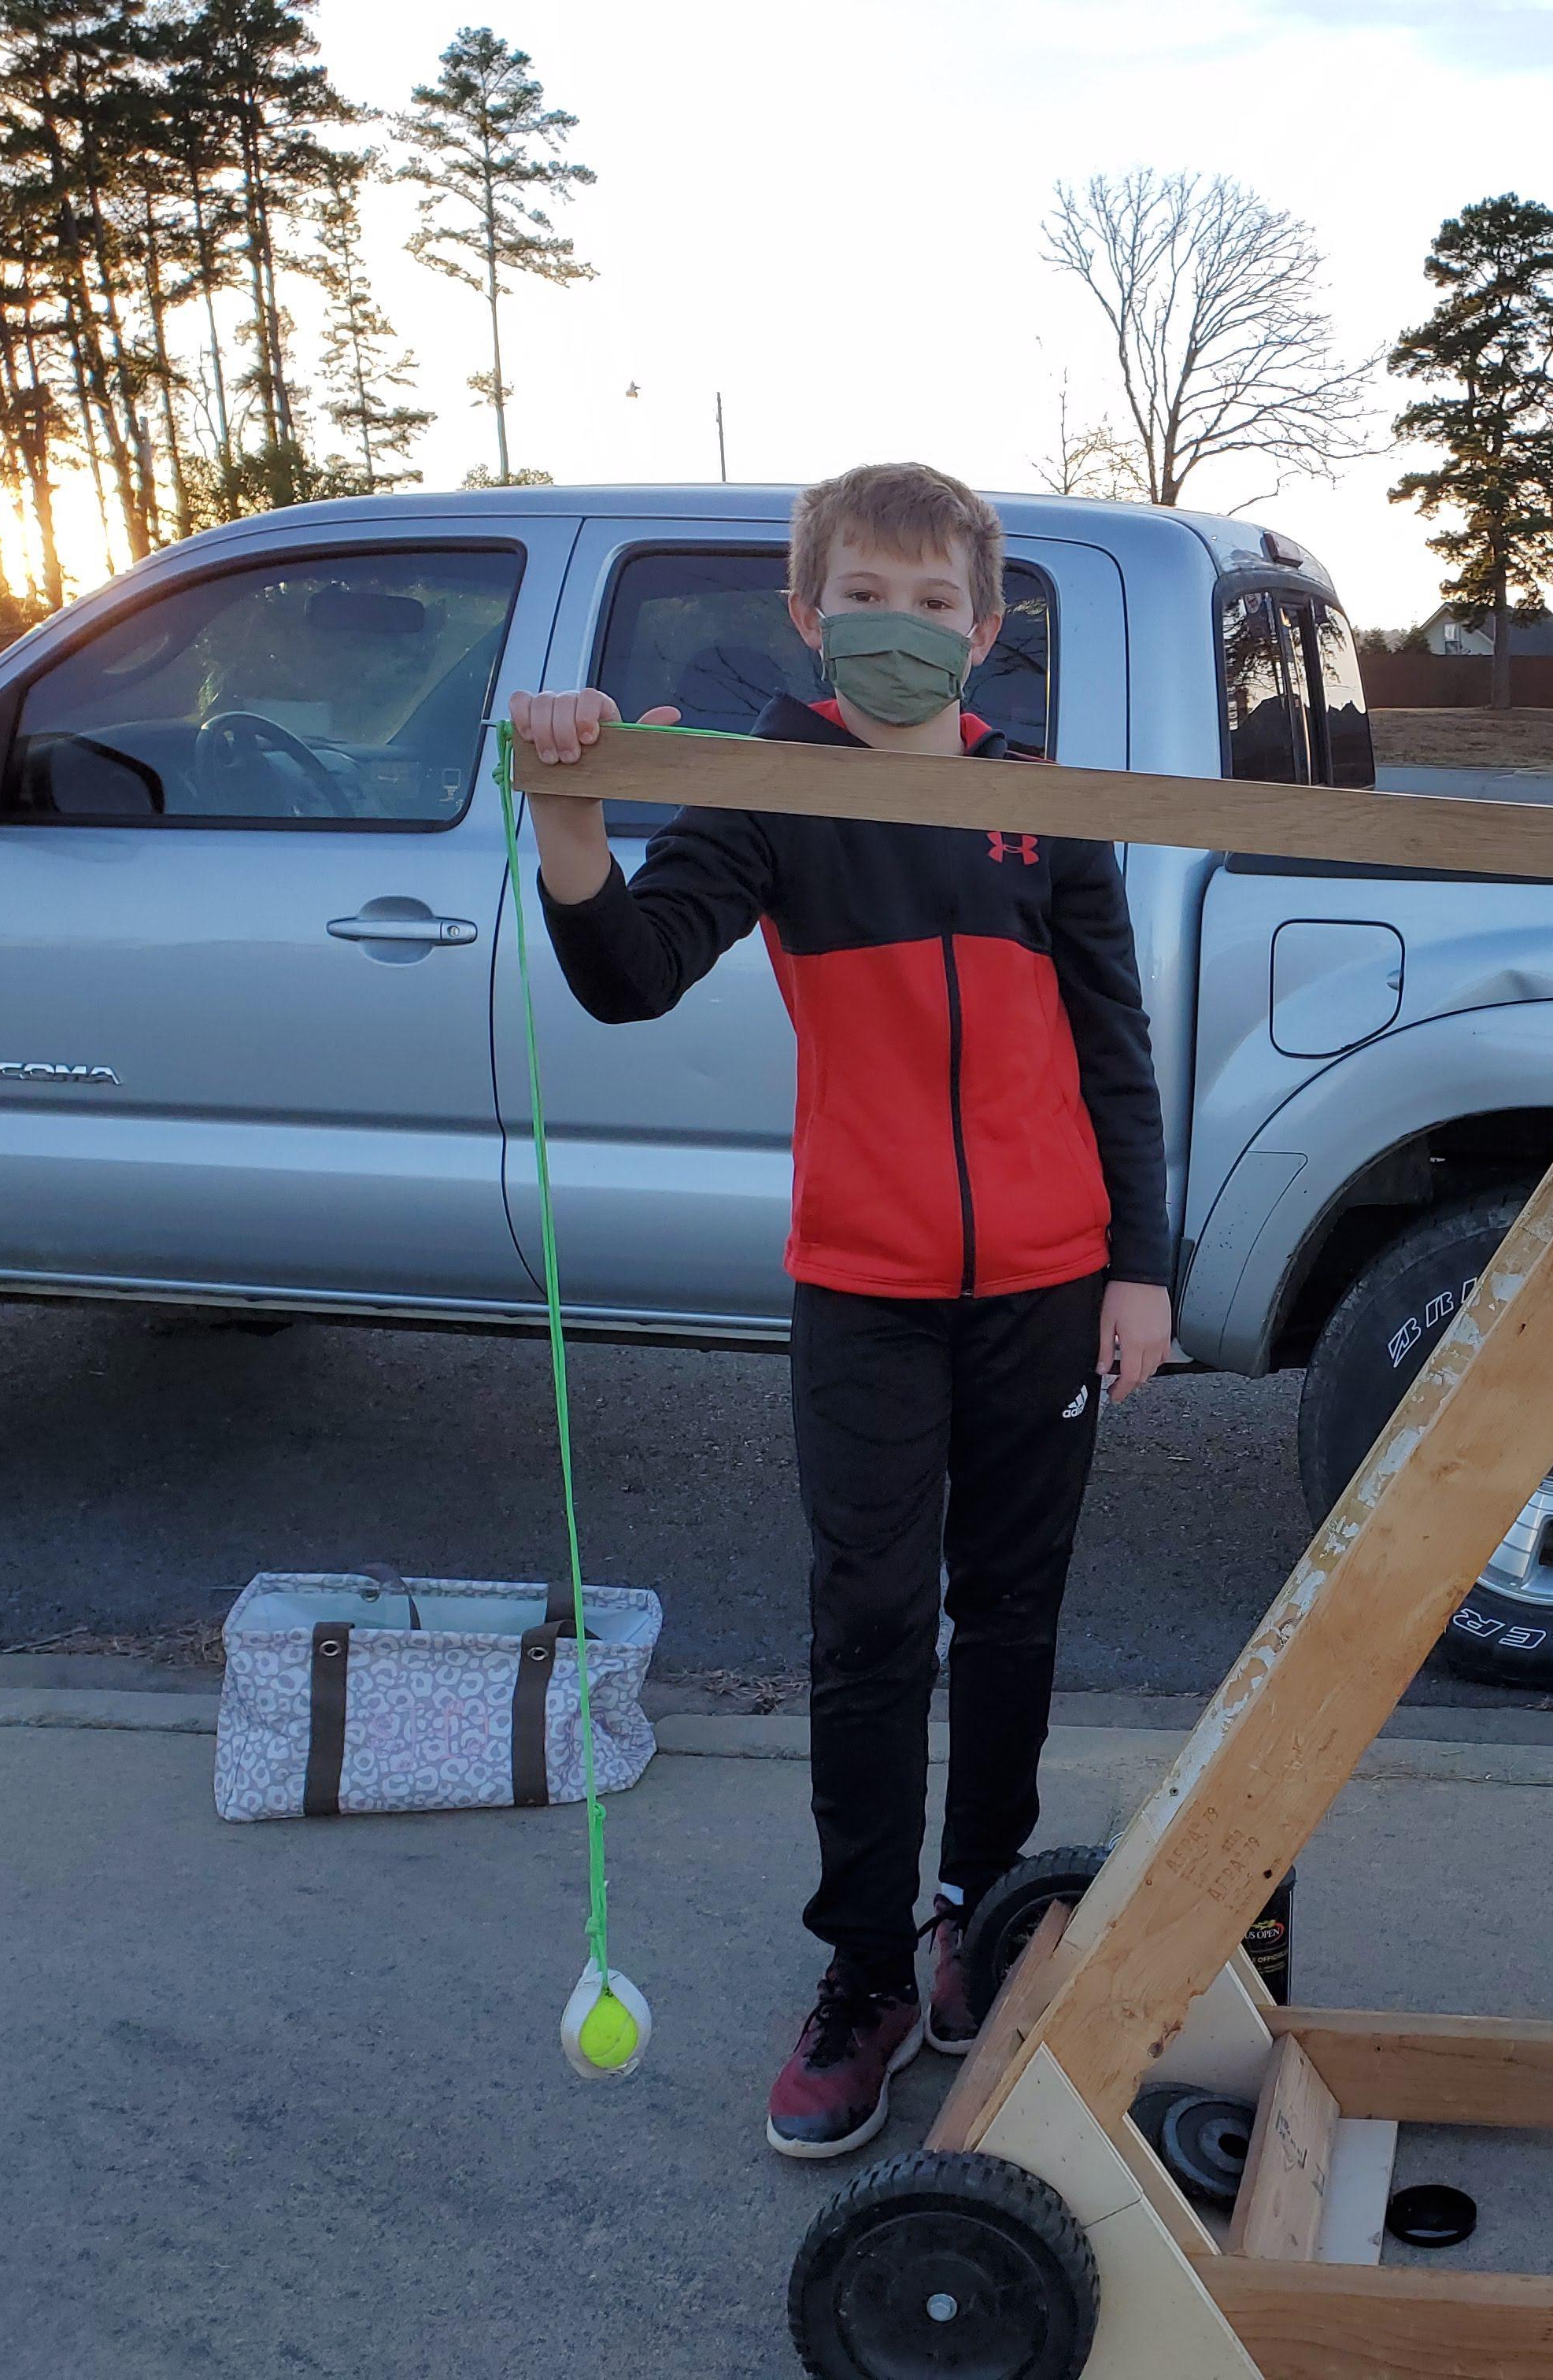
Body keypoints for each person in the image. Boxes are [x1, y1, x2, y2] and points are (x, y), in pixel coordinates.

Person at [508, 461, 1172, 2160]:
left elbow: (1113, 1045)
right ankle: (866, 1970)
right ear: (810, 619)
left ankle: (981, 1910)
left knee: (1010, 1614)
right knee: (868, 1631)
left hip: (1044, 1281)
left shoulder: (1042, 800)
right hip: (863, 1287)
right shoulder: (767, 789)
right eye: (862, 602)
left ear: (985, 627)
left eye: (931, 604)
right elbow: (631, 975)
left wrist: (1139, 1264)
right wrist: (571, 815)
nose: (898, 630)